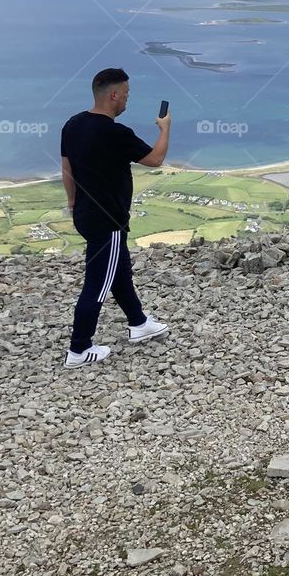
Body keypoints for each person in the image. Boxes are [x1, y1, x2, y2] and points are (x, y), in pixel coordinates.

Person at [59, 68, 171, 368]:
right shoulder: (115, 133)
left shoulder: (72, 125)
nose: (127, 99)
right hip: (106, 220)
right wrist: (164, 128)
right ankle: (78, 349)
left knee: (118, 270)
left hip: (85, 214)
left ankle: (138, 323)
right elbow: (156, 160)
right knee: (97, 284)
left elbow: (66, 168)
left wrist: (72, 203)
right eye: (127, 93)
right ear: (114, 94)